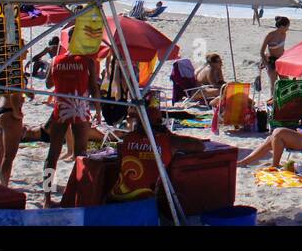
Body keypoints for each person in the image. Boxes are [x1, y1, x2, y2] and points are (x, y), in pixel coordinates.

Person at [108, 94, 205, 203]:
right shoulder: (168, 141)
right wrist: (169, 135)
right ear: (160, 123)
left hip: (116, 197)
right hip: (143, 201)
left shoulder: (128, 138)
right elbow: (200, 146)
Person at [43, 48, 101, 207]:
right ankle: (75, 195)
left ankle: (46, 199)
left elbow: (49, 84)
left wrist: (64, 79)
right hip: (80, 108)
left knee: (52, 154)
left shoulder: (55, 59)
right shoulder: (87, 61)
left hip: (61, 107)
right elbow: (94, 88)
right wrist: (98, 110)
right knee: (81, 155)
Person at [0, 91, 25, 186]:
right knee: (8, 156)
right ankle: (3, 187)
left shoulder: (4, 76)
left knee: (0, 152)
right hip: (9, 112)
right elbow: (14, 92)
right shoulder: (17, 76)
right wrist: (17, 113)